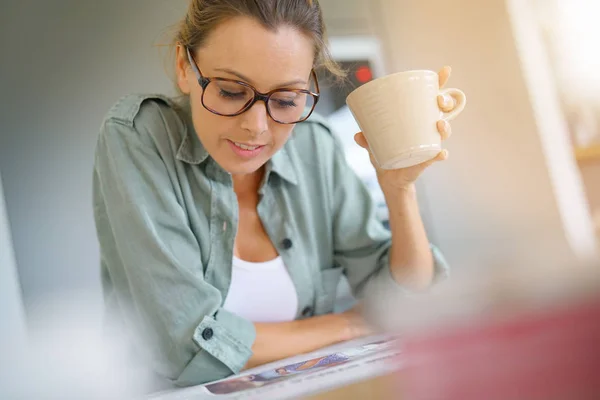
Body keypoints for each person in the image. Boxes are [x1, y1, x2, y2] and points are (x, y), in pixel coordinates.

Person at [93, 0, 459, 390]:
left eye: (286, 101)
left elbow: (407, 301)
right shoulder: (138, 136)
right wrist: (354, 321)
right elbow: (181, 345)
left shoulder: (314, 146)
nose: (256, 127)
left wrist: (399, 188)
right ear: (185, 66)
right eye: (231, 92)